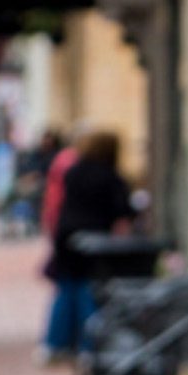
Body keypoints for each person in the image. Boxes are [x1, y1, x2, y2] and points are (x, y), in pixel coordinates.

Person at [42, 129, 135, 359]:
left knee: (65, 290)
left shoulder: (74, 172)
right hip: (94, 241)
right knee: (88, 291)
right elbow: (123, 211)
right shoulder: (110, 176)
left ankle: (55, 343)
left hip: (67, 237)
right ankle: (89, 345)